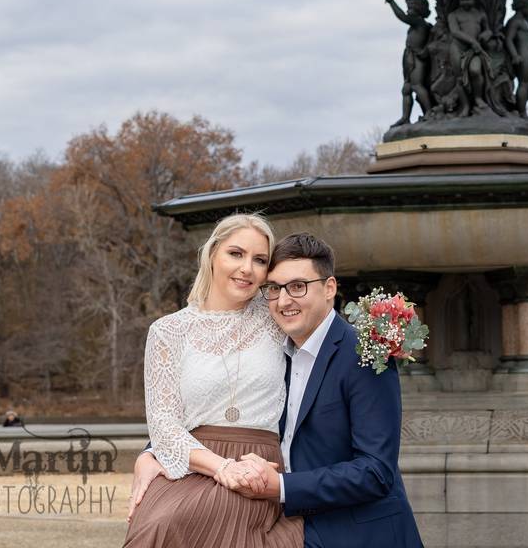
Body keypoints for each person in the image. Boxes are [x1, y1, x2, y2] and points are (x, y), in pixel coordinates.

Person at [132, 233, 423, 548]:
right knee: (162, 527)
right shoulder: (276, 346)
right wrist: (151, 452)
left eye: (298, 286)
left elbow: (376, 471)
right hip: (287, 519)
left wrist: (282, 487)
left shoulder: (363, 353)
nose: (284, 301)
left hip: (356, 531)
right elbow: (216, 399)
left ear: (329, 288)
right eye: (274, 289)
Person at [123, 214, 303, 548]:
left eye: (260, 260)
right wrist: (218, 467)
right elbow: (163, 422)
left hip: (257, 465)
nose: (247, 268)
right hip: (192, 463)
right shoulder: (168, 331)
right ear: (212, 255)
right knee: (157, 525)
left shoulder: (277, 317)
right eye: (236, 254)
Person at [384, 0, 433, 127]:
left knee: (417, 85)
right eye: (407, 8)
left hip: (417, 59)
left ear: (419, 10)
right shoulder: (418, 24)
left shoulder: (419, 22)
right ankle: (405, 117)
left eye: (410, 8)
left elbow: (402, 17)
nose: (407, 11)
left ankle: (429, 113)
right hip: (409, 58)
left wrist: (391, 1)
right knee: (406, 88)